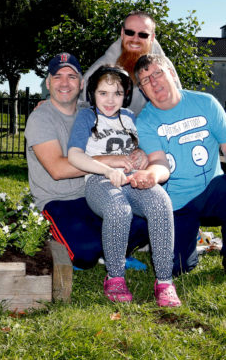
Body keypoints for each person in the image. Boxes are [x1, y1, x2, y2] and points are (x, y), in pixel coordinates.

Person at [131, 54, 226, 282]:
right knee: (176, 268)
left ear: (171, 74)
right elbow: (159, 162)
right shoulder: (145, 121)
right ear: (143, 90)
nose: (153, 82)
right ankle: (191, 239)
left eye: (157, 73)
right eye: (145, 80)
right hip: (175, 202)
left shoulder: (206, 103)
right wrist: (149, 175)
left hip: (211, 190)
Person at [24, 53, 151, 274]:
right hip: (58, 200)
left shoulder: (91, 111)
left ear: (82, 83)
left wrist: (138, 151)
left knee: (144, 222)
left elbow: (125, 127)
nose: (65, 83)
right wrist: (111, 161)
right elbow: (58, 169)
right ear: (48, 83)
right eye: (58, 76)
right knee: (86, 252)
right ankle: (106, 250)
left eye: (72, 77)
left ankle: (115, 251)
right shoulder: (40, 118)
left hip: (94, 192)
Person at [67, 65, 180, 306]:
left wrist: (141, 155)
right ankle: (115, 276)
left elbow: (140, 149)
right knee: (120, 210)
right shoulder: (87, 117)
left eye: (117, 93)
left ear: (125, 95)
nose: (110, 100)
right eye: (103, 93)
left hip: (131, 178)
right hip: (99, 180)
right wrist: (107, 170)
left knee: (161, 203)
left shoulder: (128, 117)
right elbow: (75, 156)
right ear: (92, 94)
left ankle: (164, 281)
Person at [81, 10, 179, 115]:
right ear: (122, 33)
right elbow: (82, 106)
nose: (135, 39)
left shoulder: (165, 67)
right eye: (130, 32)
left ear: (152, 38)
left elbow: (178, 103)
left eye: (143, 35)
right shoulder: (100, 69)